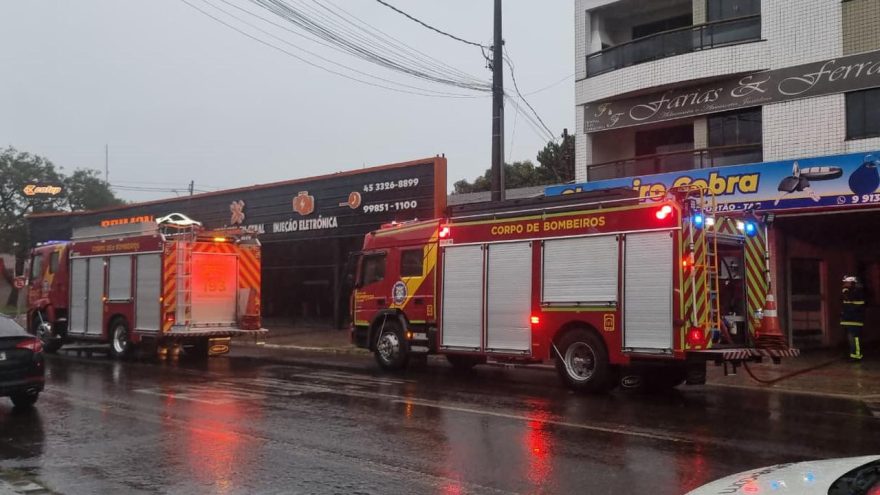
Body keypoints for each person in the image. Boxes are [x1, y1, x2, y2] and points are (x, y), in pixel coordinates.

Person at [841, 275, 866, 361]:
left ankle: (856, 355)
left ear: (852, 283)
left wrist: (845, 291)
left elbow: (850, 300)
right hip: (850, 319)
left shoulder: (857, 292)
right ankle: (853, 354)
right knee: (851, 338)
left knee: (855, 338)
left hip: (854, 319)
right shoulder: (854, 292)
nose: (845, 284)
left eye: (847, 282)